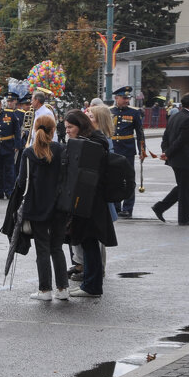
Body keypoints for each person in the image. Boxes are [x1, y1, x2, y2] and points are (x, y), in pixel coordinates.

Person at [61, 110, 117, 298]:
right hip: (89, 200)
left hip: (89, 201)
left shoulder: (92, 143)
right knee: (88, 242)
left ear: (80, 125)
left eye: (70, 127)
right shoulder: (93, 139)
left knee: (89, 241)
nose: (67, 131)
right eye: (65, 128)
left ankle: (92, 285)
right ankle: (90, 283)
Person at [15, 115, 69, 302]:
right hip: (59, 205)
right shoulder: (61, 149)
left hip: (36, 204)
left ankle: (45, 290)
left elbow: (21, 182)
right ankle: (63, 288)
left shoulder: (29, 152)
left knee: (42, 248)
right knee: (57, 248)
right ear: (53, 130)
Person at [153, 93, 189, 226]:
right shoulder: (188, 119)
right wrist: (167, 153)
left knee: (182, 187)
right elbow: (182, 141)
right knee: (186, 189)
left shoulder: (174, 116)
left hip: (175, 159)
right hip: (184, 159)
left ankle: (160, 207)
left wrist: (165, 151)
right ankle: (184, 218)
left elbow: (166, 136)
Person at [110, 86, 146, 218]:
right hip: (114, 149)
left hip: (127, 150)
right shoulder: (109, 111)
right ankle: (115, 206)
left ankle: (127, 208)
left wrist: (142, 150)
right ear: (116, 98)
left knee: (128, 179)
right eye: (124, 98)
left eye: (128, 98)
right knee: (114, 179)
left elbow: (140, 133)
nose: (127, 100)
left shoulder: (134, 112)